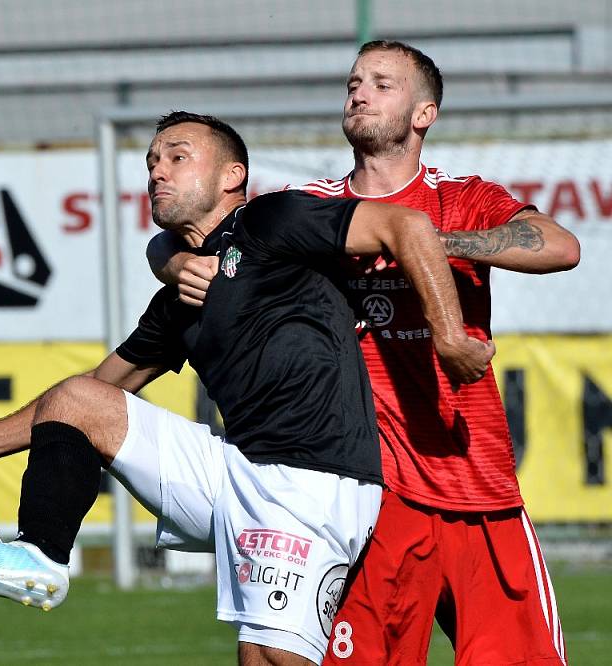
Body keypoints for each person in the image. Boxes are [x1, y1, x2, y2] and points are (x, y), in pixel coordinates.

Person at [0, 111, 492, 666]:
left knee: (267, 659)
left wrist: (449, 336)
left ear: (233, 176)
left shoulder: (274, 221)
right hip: (233, 470)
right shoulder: (180, 295)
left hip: (312, 480)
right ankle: (43, 555)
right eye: (152, 160)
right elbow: (94, 394)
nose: (157, 169)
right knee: (78, 397)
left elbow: (407, 224)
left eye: (178, 157)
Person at [147, 46, 580, 666]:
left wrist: (427, 243)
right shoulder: (315, 208)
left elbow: (561, 246)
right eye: (354, 82)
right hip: (376, 495)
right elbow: (195, 229)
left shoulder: (463, 197)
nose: (359, 92)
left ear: (423, 112)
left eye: (382, 83)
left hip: (479, 486)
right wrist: (170, 260)